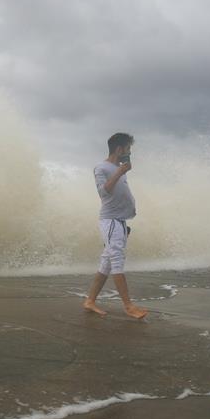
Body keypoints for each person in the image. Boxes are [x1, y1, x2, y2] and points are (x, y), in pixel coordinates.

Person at [83, 132, 148, 319]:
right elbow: (104, 193)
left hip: (119, 221)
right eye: (128, 149)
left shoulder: (118, 167)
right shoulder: (101, 168)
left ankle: (90, 301)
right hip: (110, 221)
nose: (130, 153)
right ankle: (128, 306)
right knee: (117, 261)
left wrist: (121, 170)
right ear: (119, 149)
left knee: (106, 264)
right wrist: (120, 172)